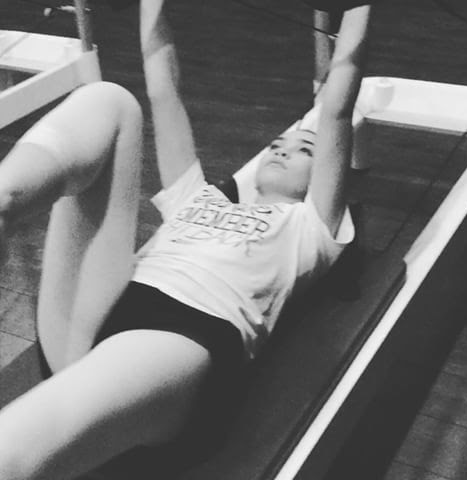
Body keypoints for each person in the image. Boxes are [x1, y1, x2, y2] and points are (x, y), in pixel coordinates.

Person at [0, 1, 370, 478]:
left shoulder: (311, 229)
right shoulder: (197, 196)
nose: (281, 151)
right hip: (103, 311)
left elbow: (337, 106)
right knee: (110, 101)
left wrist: (360, 9)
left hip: (182, 345)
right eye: (278, 145)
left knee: (14, 444)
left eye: (305, 149)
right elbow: (163, 88)